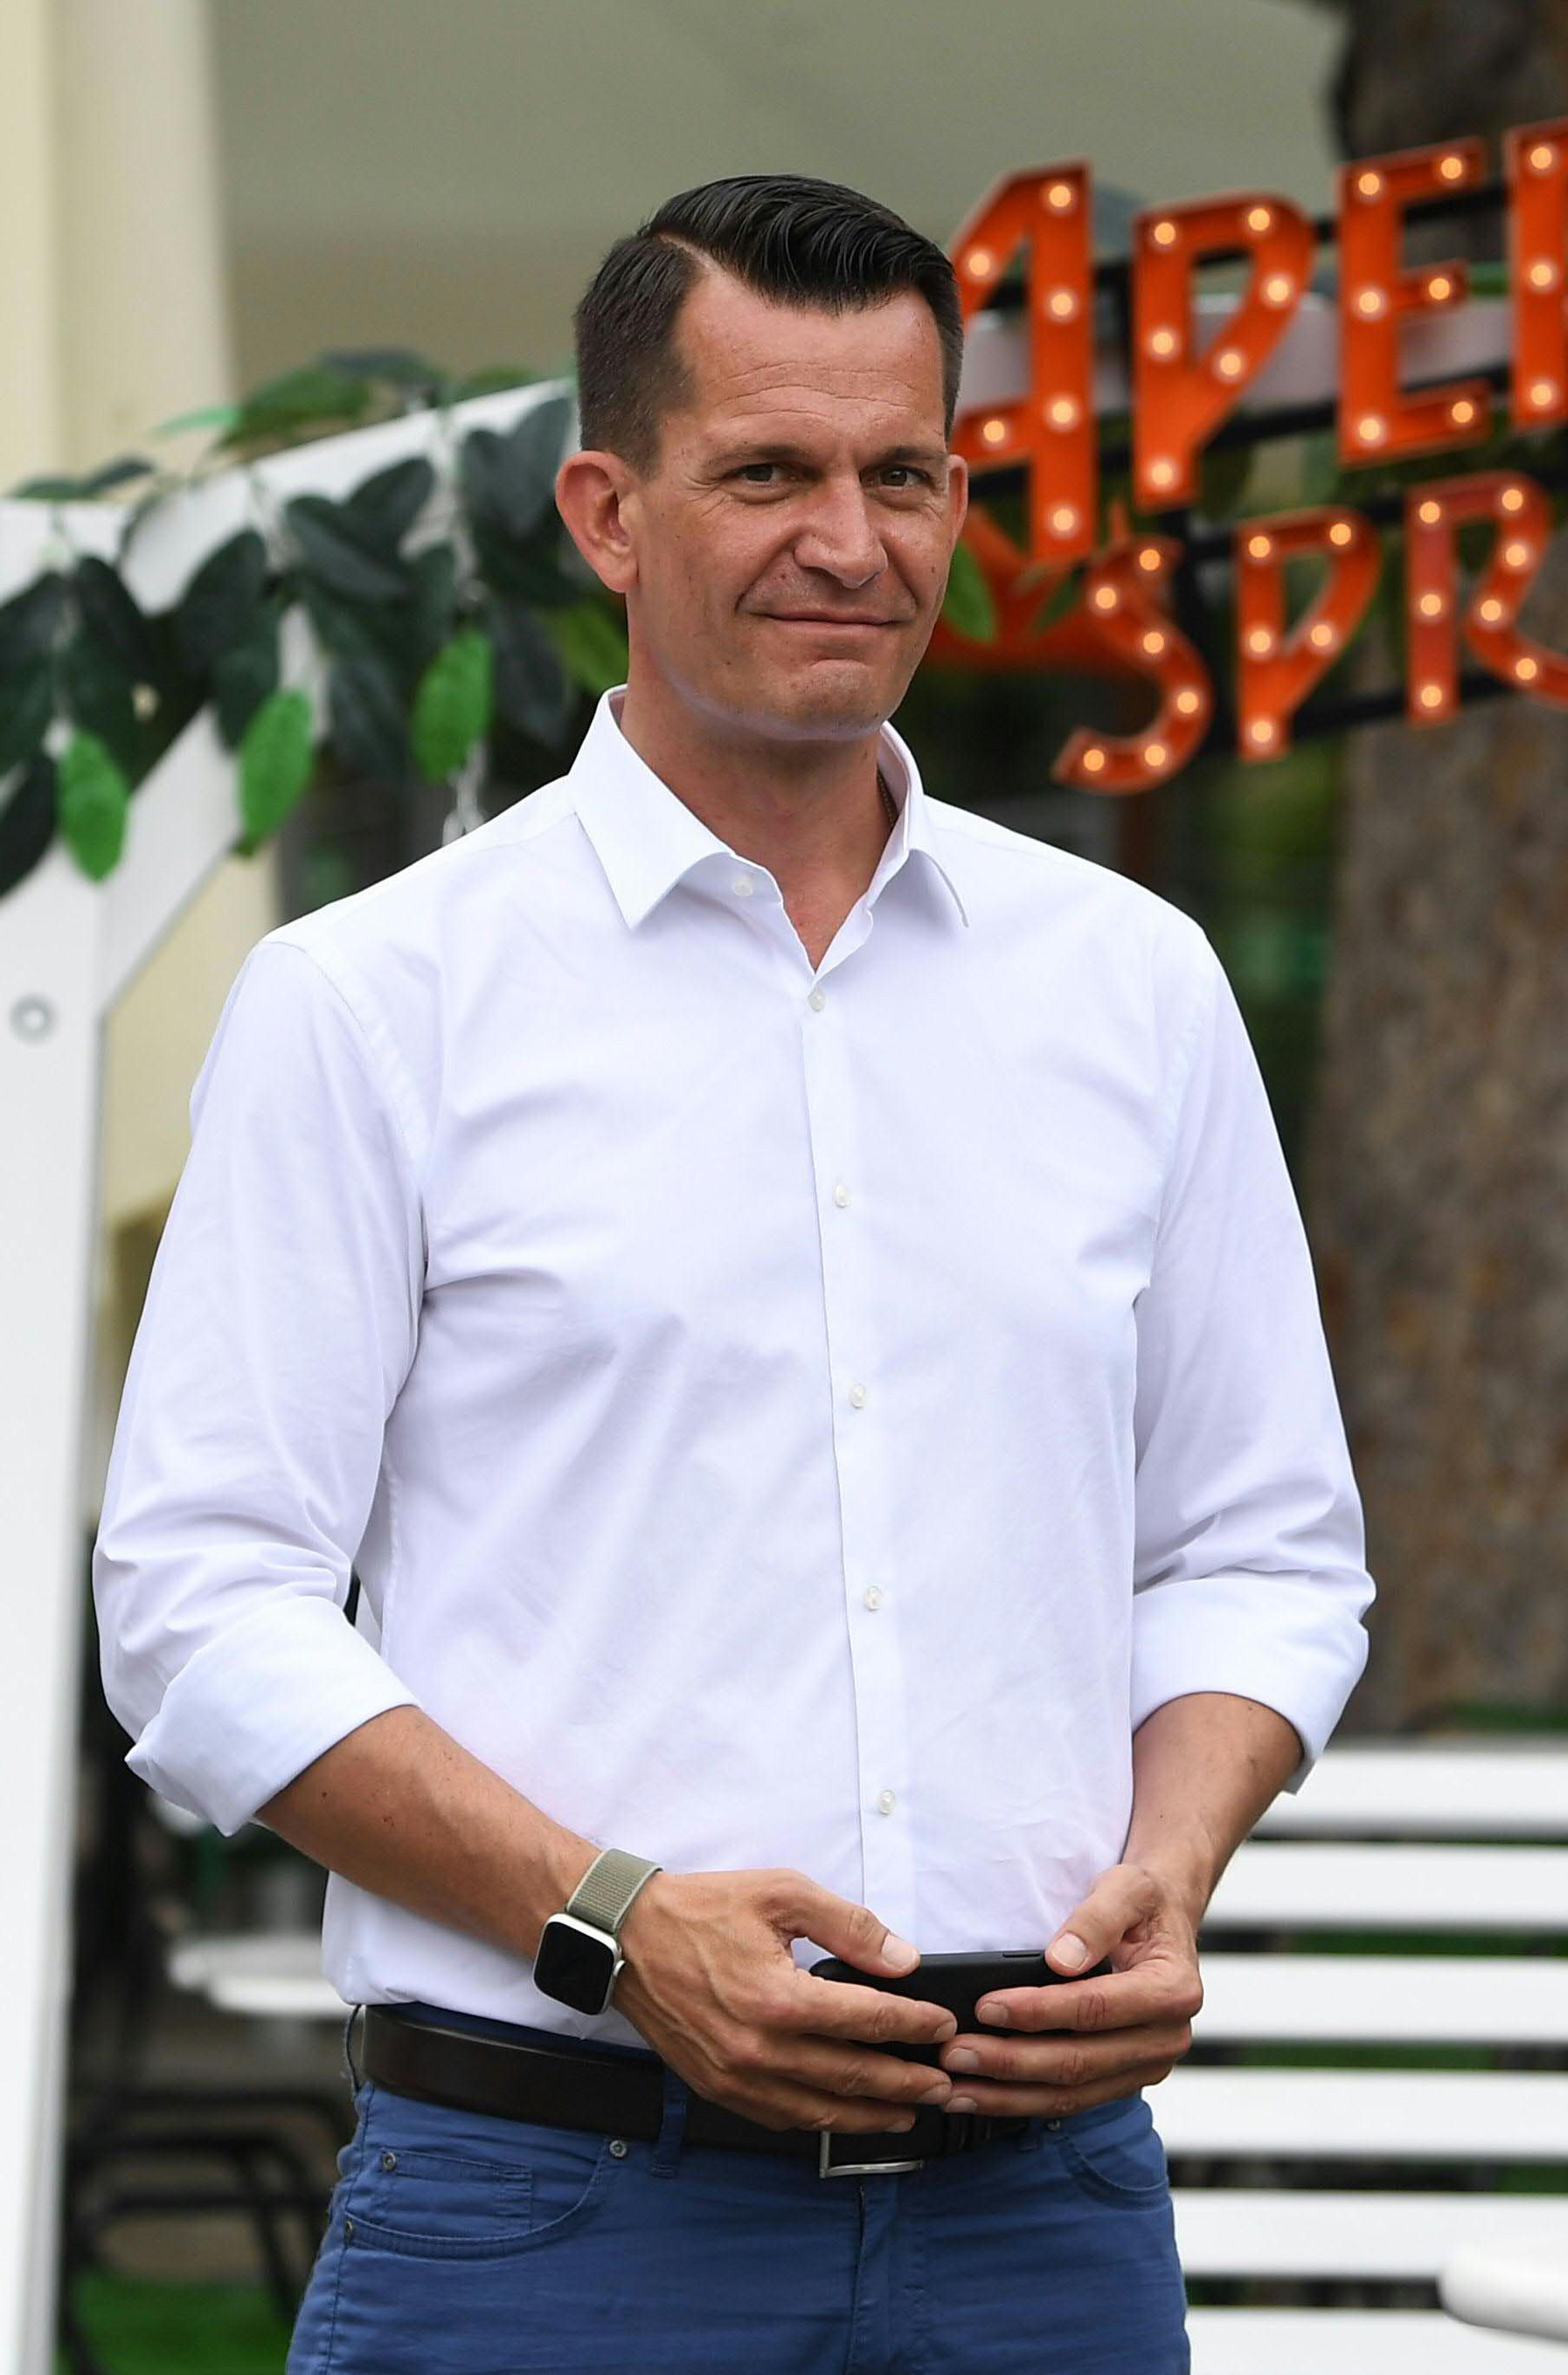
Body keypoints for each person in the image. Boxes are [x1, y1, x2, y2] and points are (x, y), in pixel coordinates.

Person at [94, 175, 1372, 2372]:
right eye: (767, 471)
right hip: (547, 2204)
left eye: (904, 476)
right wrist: (616, 1922)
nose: (848, 541)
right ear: (607, 507)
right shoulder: (374, 998)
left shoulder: (1134, 989)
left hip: (1041, 2213)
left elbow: (1262, 1546)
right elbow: (201, 1606)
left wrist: (1175, 1856)